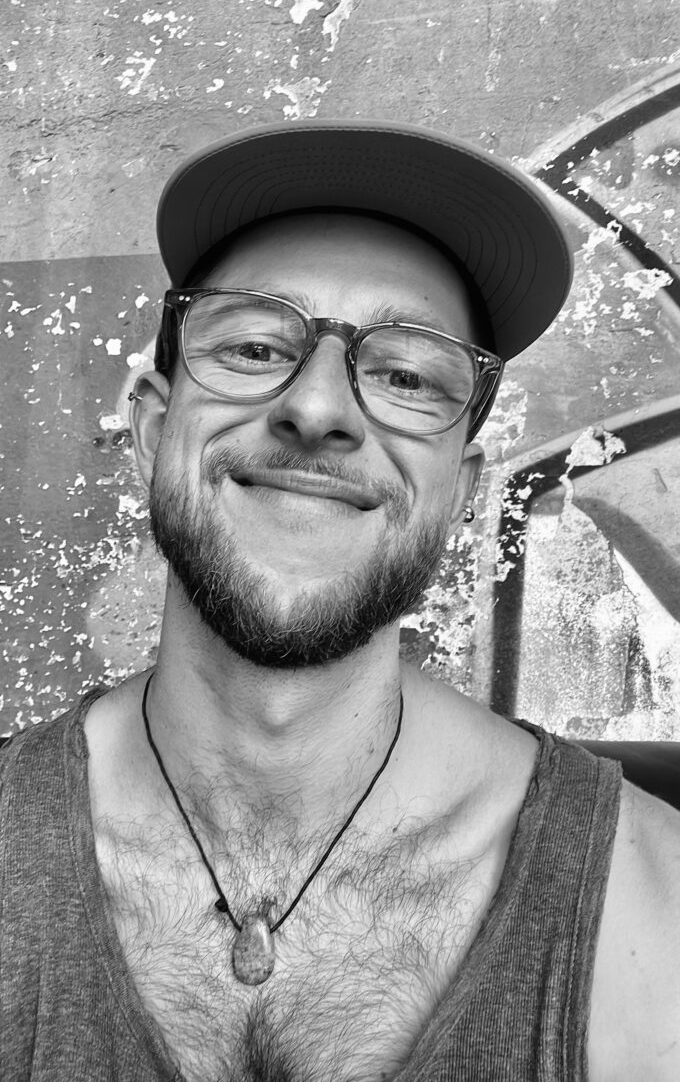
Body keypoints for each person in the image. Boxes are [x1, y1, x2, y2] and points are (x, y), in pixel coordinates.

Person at [1, 121, 679, 1082]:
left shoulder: (652, 911)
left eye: (405, 375)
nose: (318, 409)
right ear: (152, 432)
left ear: (461, 490)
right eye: (254, 346)